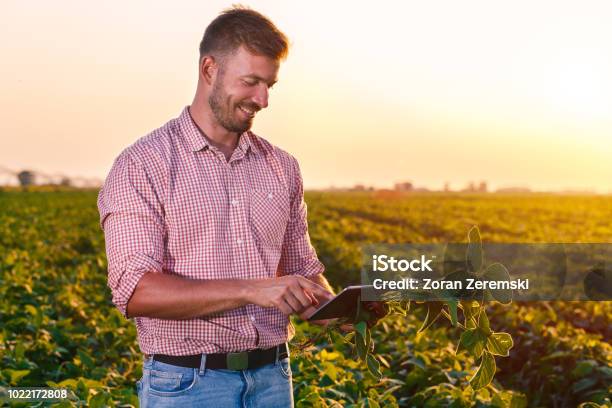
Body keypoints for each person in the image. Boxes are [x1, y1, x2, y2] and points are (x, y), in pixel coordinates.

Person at [97, 6, 387, 407]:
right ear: (209, 69)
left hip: (273, 379)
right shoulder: (143, 164)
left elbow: (302, 270)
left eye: (269, 85)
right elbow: (135, 291)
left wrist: (340, 309)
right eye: (251, 82)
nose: (263, 99)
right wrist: (256, 290)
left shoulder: (281, 166)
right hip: (188, 385)